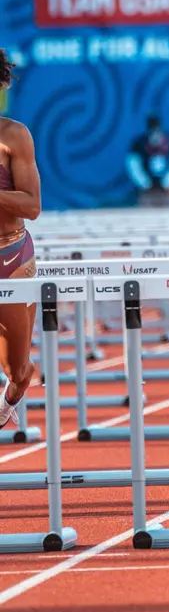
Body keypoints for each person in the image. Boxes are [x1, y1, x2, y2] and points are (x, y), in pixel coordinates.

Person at [0, 49, 41, 430]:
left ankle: (7, 402)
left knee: (18, 369)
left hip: (9, 256)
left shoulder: (14, 136)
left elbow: (32, 205)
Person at [126, 114, 169, 206]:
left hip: (167, 188)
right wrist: (143, 182)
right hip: (147, 188)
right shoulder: (139, 143)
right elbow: (133, 164)